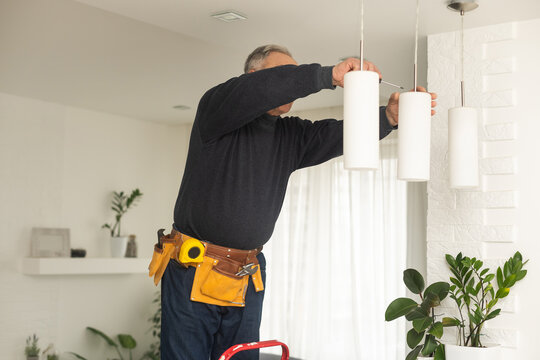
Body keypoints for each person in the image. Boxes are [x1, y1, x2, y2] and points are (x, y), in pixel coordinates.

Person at [156, 44, 437, 360]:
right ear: (253, 78)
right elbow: (272, 86)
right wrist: (325, 75)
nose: (289, 83)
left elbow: (337, 135)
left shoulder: (288, 135)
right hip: (193, 267)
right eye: (282, 74)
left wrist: (388, 117)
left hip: (246, 273)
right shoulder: (216, 110)